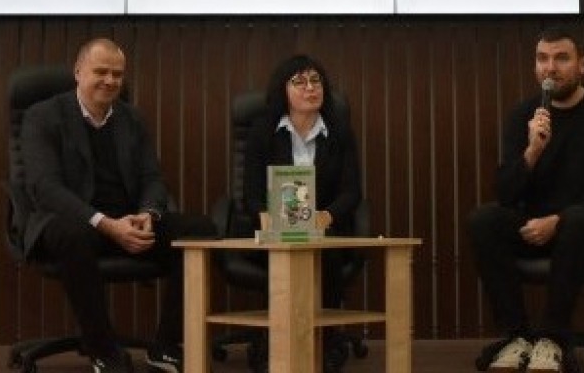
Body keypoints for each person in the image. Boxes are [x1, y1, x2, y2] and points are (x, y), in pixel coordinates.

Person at [20, 38, 217, 373]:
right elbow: (45, 187)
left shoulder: (131, 118)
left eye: (117, 74)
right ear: (78, 71)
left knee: (201, 231)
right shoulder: (43, 116)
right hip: (74, 222)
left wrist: (148, 214)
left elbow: (152, 177)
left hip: (127, 221)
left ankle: (165, 346)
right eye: (101, 72)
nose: (110, 81)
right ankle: (103, 350)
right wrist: (105, 223)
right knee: (73, 234)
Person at [467, 26, 584, 373]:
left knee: (576, 221)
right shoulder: (524, 115)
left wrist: (558, 219)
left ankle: (552, 339)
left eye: (561, 58)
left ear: (582, 65)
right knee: (483, 221)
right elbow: (506, 193)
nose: (550, 68)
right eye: (542, 59)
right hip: (536, 225)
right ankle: (517, 337)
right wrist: (532, 151)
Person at [244, 53, 363, 373]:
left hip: (325, 229)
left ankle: (327, 340)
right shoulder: (263, 132)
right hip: (275, 230)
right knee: (279, 251)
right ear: (282, 91)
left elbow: (352, 192)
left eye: (315, 81)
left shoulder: (339, 132)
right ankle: (272, 341)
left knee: (326, 249)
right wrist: (264, 217)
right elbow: (251, 194)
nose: (310, 88)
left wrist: (325, 217)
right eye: (299, 82)